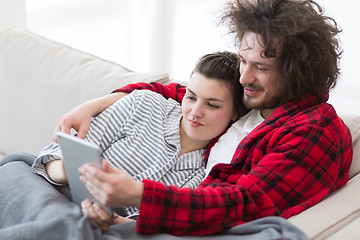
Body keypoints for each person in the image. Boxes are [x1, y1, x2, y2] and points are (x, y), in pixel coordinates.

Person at [56, 0, 353, 236]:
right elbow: (180, 92)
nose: (244, 77)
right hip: (170, 220)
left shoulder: (313, 131)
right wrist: (95, 105)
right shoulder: (259, 99)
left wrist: (139, 196)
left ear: (296, 71)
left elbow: (243, 204)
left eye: (261, 67)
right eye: (243, 61)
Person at [32, 51, 246, 229]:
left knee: (68, 227)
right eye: (191, 97)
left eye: (212, 105)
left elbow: (160, 226)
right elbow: (52, 156)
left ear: (235, 112)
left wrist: (114, 221)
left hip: (101, 226)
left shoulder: (210, 171)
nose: (195, 112)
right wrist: (68, 171)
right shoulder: (144, 104)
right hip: (53, 190)